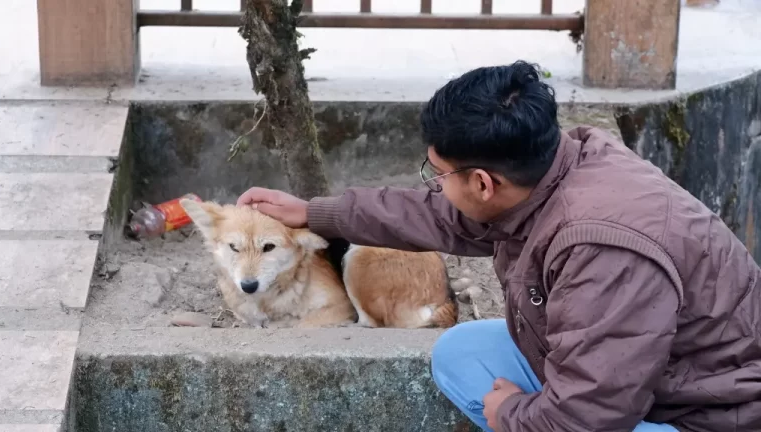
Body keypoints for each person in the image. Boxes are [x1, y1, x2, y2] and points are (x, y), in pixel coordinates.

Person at [236, 61, 761, 432]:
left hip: (701, 414)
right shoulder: (560, 163)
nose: (435, 185)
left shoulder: (602, 249)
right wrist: (315, 213)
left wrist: (513, 414)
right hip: (641, 376)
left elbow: (592, 419)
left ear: (483, 183)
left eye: (437, 174)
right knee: (462, 351)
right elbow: (437, 214)